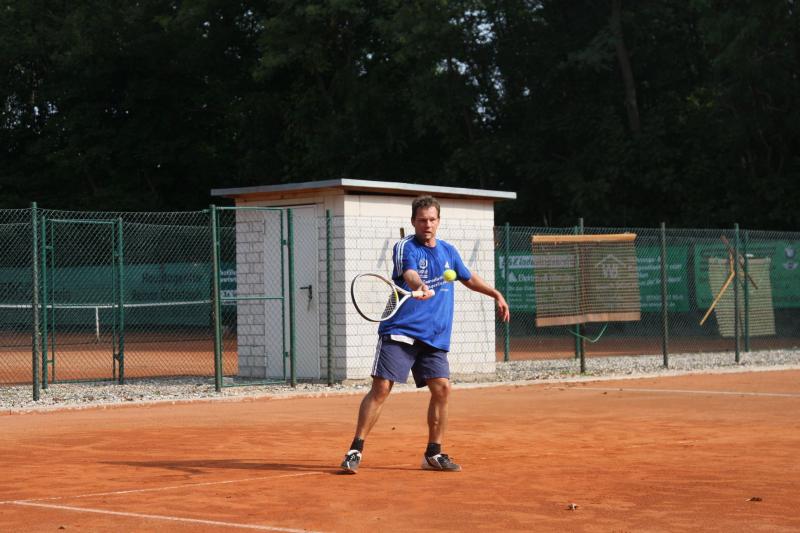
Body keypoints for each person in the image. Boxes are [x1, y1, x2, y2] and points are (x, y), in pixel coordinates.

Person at [341, 195, 510, 474]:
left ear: (438, 221)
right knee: (382, 388)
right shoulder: (405, 246)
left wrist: (495, 293)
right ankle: (355, 450)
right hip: (401, 330)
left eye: (432, 220)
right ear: (413, 222)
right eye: (422, 220)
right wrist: (419, 286)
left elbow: (467, 277)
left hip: (434, 335)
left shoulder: (448, 251)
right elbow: (409, 273)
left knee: (442, 388)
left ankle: (434, 453)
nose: (427, 225)